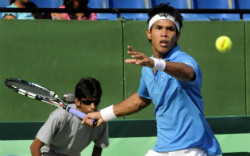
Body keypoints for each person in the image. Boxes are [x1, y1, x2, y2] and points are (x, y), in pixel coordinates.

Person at [83, 4, 222, 156]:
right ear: (149, 33)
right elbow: (141, 99)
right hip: (163, 148)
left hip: (192, 149)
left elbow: (187, 73)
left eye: (170, 29)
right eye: (159, 28)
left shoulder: (183, 60)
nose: (164, 33)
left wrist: (156, 63)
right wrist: (103, 115)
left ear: (178, 35)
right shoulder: (147, 67)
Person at [30, 77, 109, 156]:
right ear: (77, 102)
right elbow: (34, 147)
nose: (93, 106)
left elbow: (98, 147)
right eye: (88, 102)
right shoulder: (60, 116)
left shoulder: (100, 120)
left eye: (96, 102)